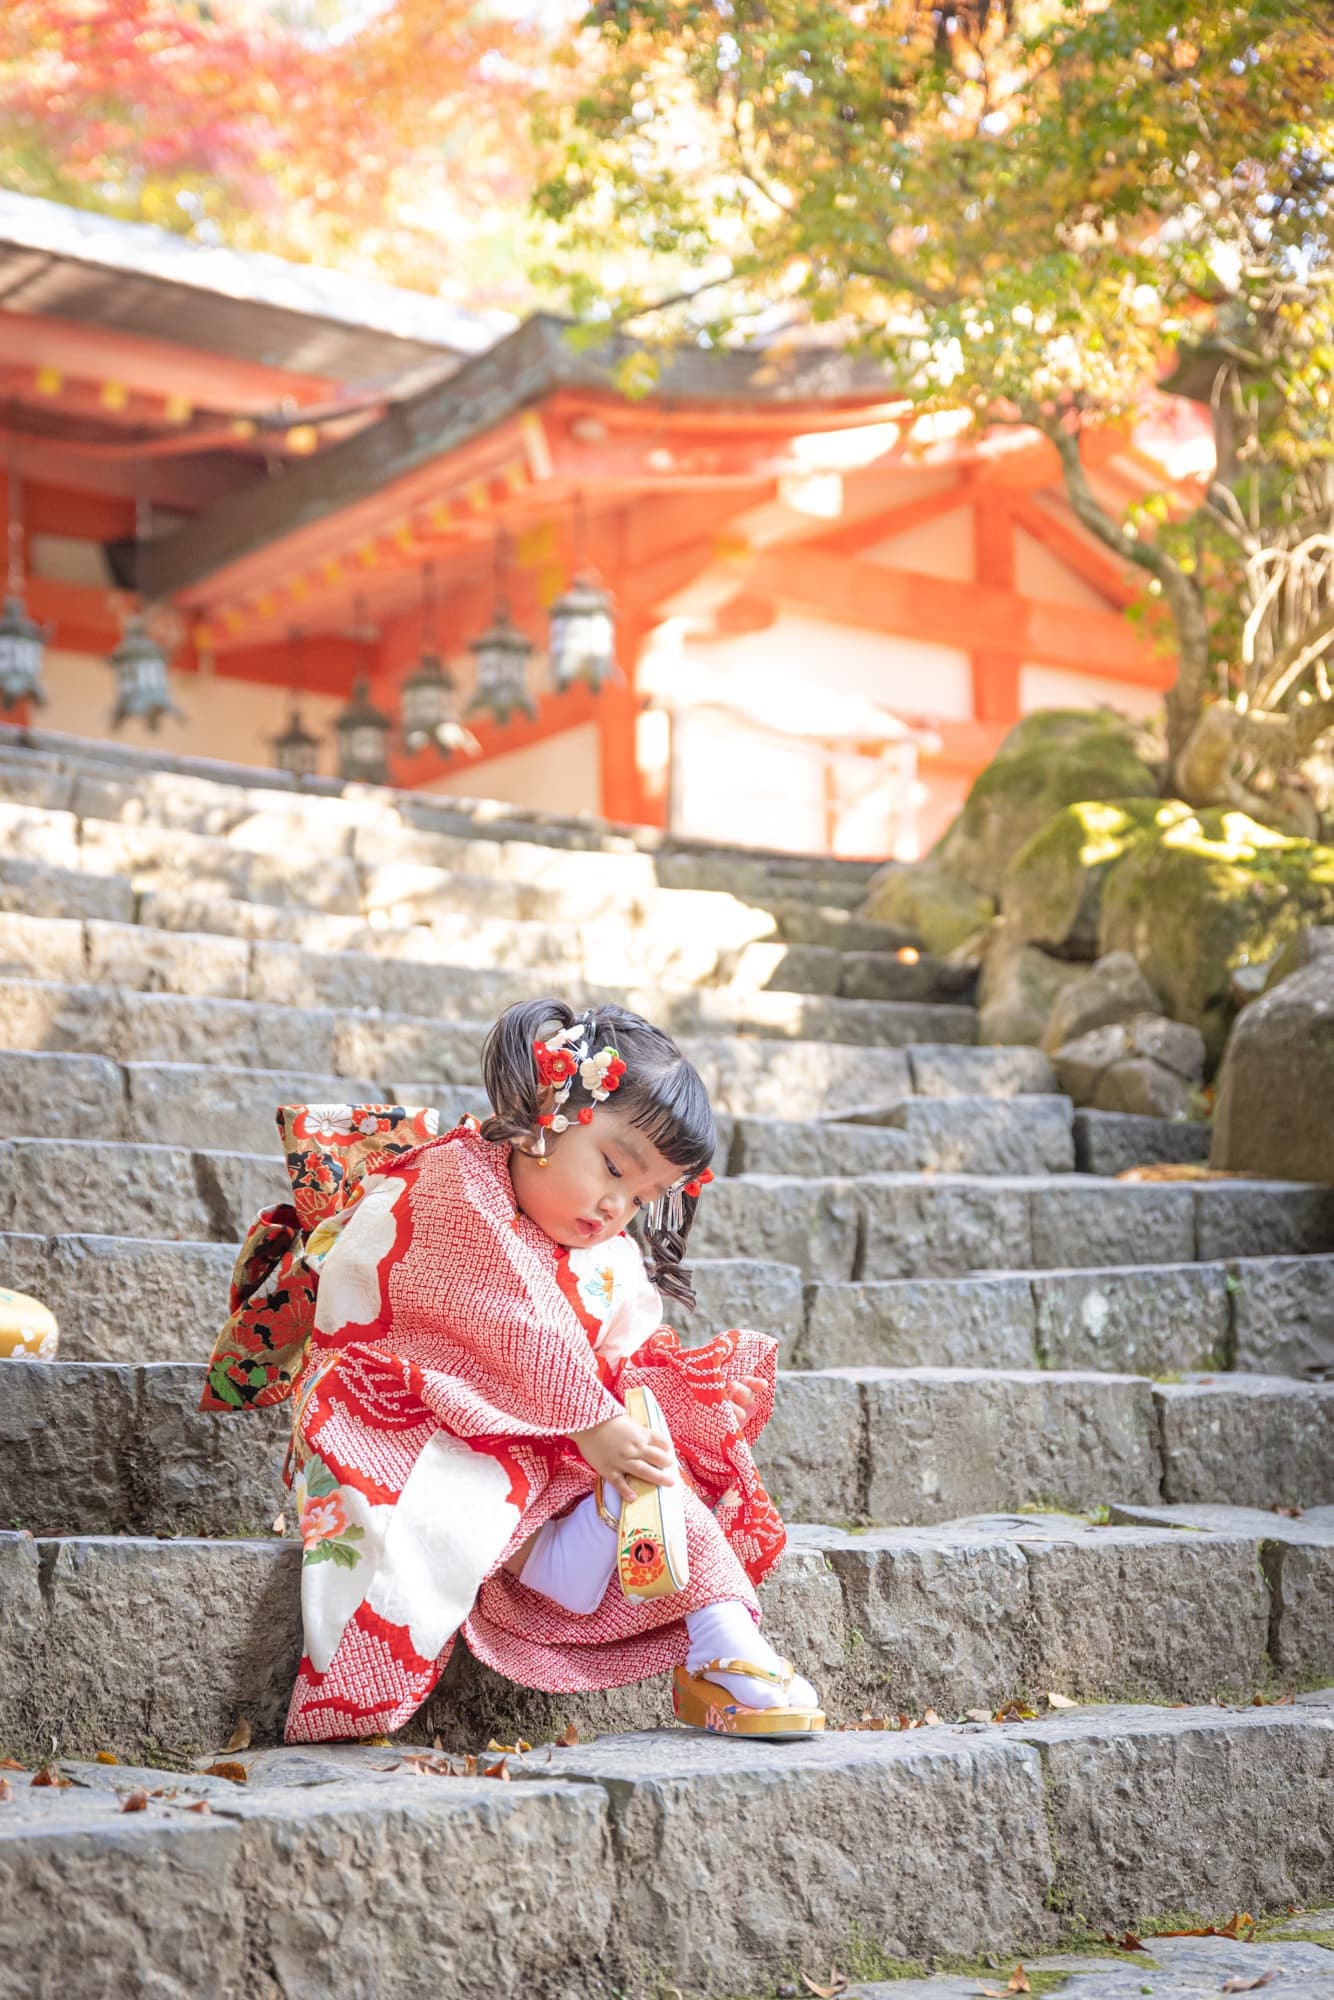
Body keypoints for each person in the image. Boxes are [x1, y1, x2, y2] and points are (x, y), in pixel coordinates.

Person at [275, 997, 823, 1744]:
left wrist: (666, 1400)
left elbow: (618, 1356)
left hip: (536, 1425)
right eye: (613, 1167)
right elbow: (506, 1316)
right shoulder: (453, 1181)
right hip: (396, 1405)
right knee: (577, 1439)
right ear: (549, 1105)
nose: (616, 1206)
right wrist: (592, 1420)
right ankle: (673, 1619)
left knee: (659, 1429)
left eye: (643, 1198)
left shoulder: (603, 1251)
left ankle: (719, 1631)